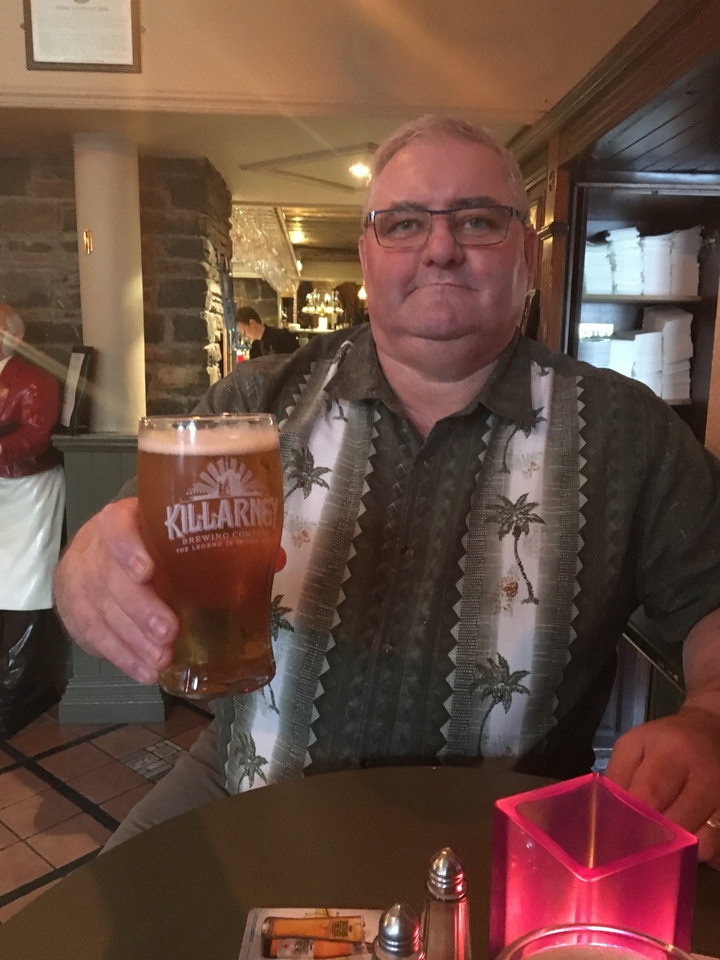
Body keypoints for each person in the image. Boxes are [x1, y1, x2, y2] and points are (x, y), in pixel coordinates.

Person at [54, 115, 720, 866]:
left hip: (502, 832)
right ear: (367, 256)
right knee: (104, 913)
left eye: (478, 220)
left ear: (528, 256)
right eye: (404, 224)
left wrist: (708, 718)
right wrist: (85, 570)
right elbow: (126, 544)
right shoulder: (253, 404)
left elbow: (711, 595)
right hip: (247, 784)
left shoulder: (630, 430)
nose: (440, 247)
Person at [0, 303, 65, 736]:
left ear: (15, 336)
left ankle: (13, 683)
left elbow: (36, 436)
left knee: (24, 582)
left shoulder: (35, 380)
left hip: (28, 489)